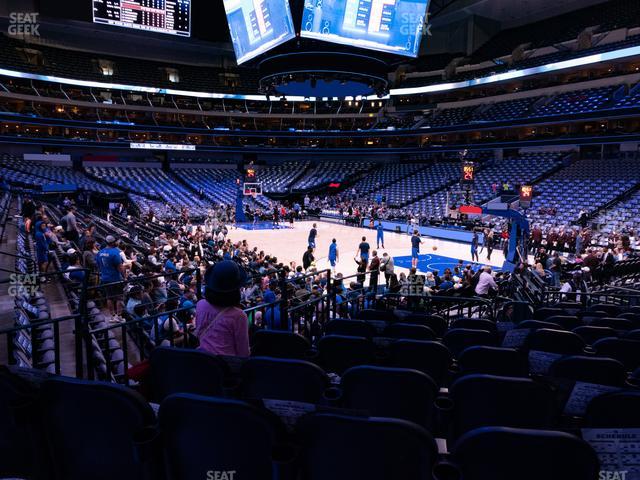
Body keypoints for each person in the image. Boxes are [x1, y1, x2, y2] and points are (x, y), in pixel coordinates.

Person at [195, 261, 250, 357]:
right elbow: (243, 353)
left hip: (203, 359)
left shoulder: (200, 305)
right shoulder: (239, 316)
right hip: (226, 366)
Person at [97, 235, 125, 323]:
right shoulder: (115, 252)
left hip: (105, 278)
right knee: (119, 298)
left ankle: (113, 316)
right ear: (113, 242)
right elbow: (120, 268)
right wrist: (125, 276)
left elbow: (98, 265)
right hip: (115, 278)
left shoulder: (100, 252)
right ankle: (119, 316)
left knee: (109, 297)